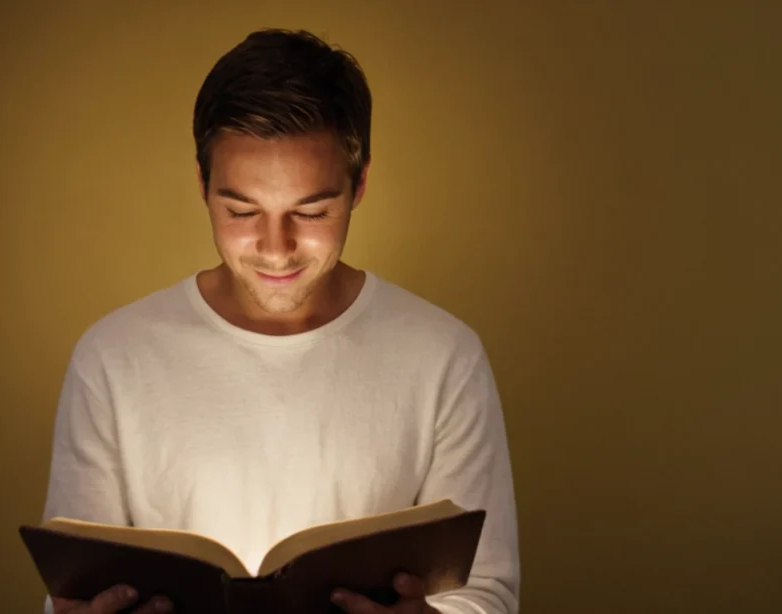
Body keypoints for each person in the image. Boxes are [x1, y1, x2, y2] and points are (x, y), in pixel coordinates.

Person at [40, 28, 520, 614]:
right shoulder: (111, 359)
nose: (276, 249)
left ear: (359, 184)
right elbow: (70, 596)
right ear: (202, 186)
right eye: (241, 210)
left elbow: (487, 593)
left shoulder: (445, 356)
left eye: (312, 210)